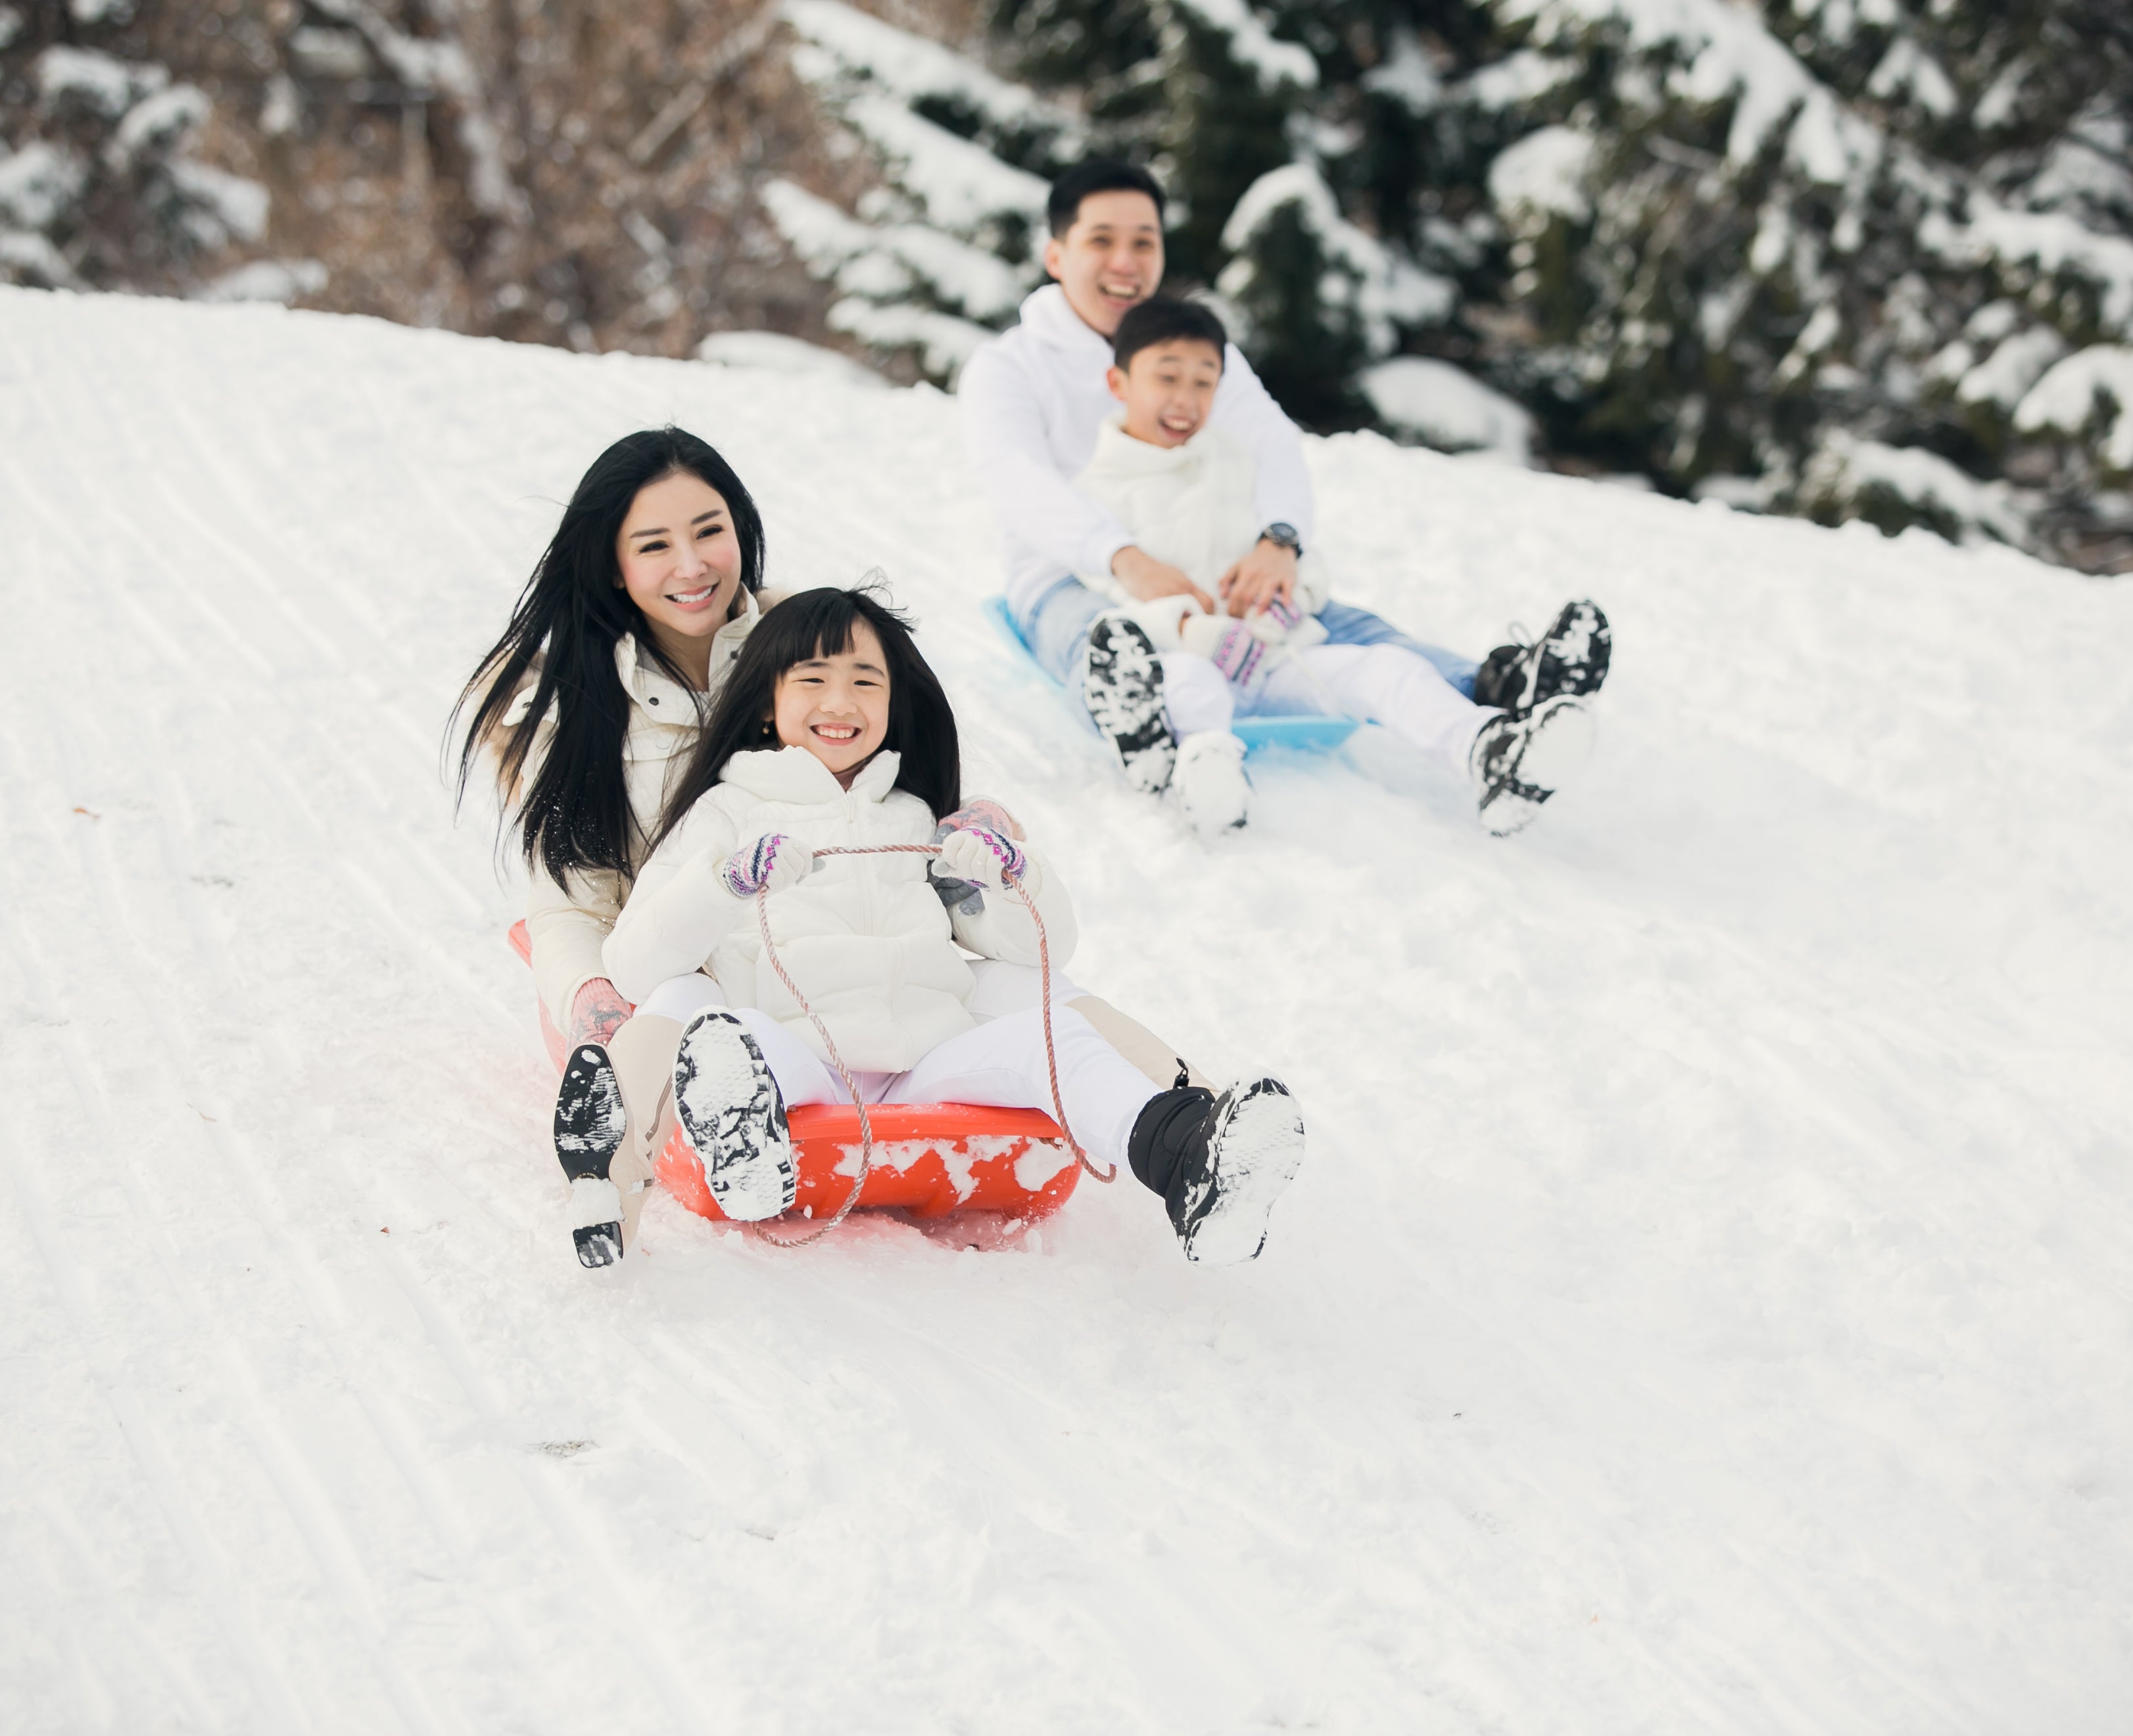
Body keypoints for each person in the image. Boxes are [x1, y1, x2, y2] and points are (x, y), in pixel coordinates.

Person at [452, 428, 1231, 1270]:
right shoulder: (575, 722)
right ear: (614, 566)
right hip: (716, 951)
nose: (691, 564)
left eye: (708, 530)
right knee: (684, 1005)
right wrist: (596, 1001)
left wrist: (973, 837)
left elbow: (892, 779)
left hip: (864, 960)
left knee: (1023, 983)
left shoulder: (805, 638)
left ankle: (1184, 1119)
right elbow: (568, 904)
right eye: (654, 545)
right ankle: (625, 1163)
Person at [602, 585, 1306, 1263]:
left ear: (894, 699)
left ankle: (1185, 1158)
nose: (840, 703)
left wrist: (1010, 877)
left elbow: (1039, 954)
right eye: (812, 680)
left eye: (865, 682)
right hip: (799, 1058)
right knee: (731, 1040)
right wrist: (725, 883)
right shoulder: (725, 814)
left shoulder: (916, 818)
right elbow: (635, 962)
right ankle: (744, 1151)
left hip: (921, 1067)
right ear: (766, 701)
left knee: (1049, 1036)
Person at [955, 160, 1612, 813]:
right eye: (1101, 241)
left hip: (1208, 557)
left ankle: (1501, 686)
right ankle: (1145, 726)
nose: (1125, 261)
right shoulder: (1010, 367)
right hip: (1075, 576)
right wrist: (1122, 559)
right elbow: (1017, 480)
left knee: (1332, 624)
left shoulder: (1191, 347)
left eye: (1143, 242)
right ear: (1055, 253)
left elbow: (1271, 443)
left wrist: (1280, 541)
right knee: (1103, 643)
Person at [1067, 297, 1596, 834]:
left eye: (1204, 383)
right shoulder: (1097, 493)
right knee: (1188, 685)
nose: (1186, 399)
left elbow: (1303, 567)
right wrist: (1184, 628)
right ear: (1119, 383)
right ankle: (1206, 770)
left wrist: (1287, 595)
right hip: (1185, 660)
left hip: (1274, 660)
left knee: (1390, 669)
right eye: (1168, 377)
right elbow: (1100, 608)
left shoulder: (1234, 463)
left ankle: (1489, 754)